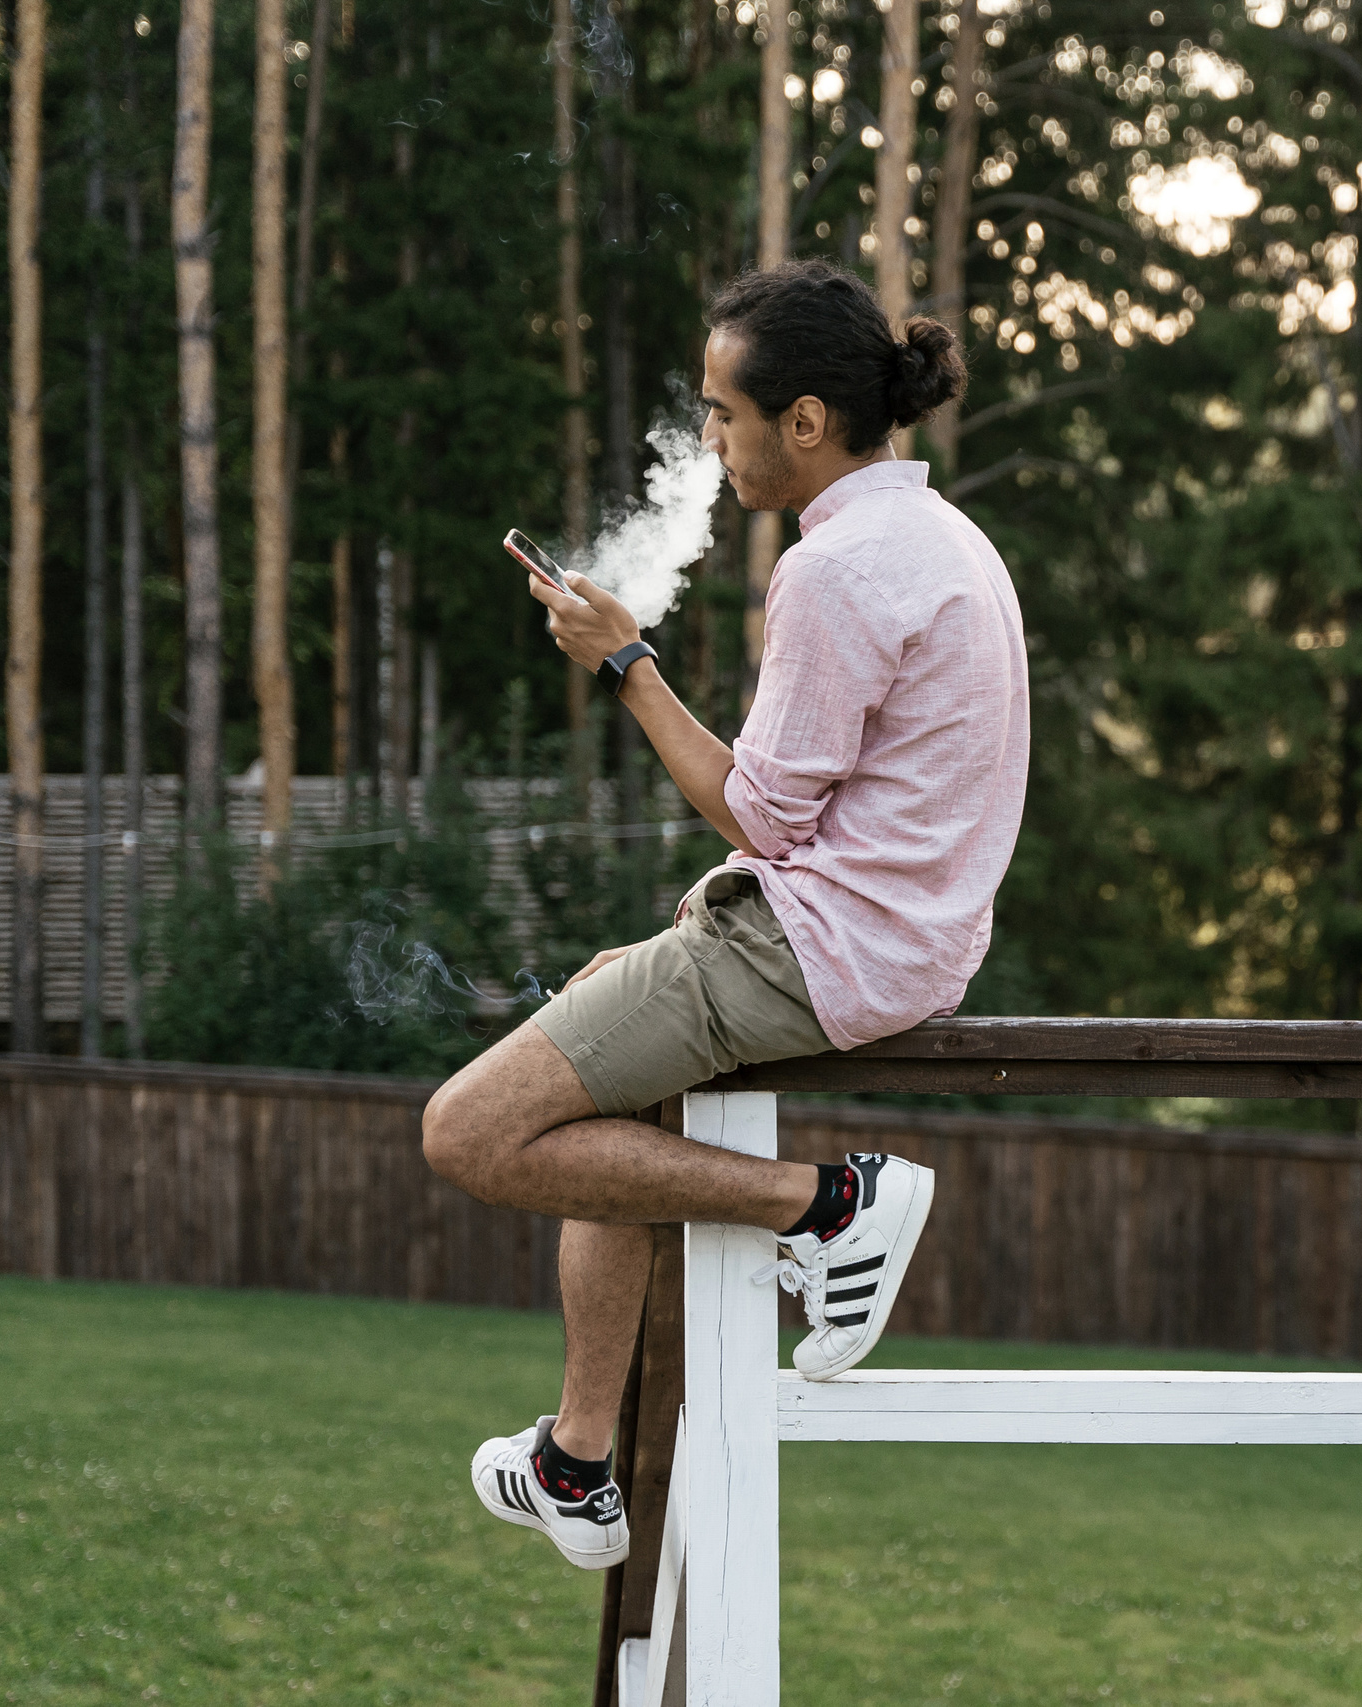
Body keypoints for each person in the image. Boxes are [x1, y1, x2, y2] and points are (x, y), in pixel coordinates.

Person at [420, 258, 1029, 1572]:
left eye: (722, 411)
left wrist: (625, 664)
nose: (711, 438)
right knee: (604, 1078)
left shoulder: (835, 571)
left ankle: (828, 1207)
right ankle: (580, 1466)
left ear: (804, 420)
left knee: (467, 1130)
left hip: (821, 952)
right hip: (894, 945)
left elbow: (763, 815)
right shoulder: (944, 540)